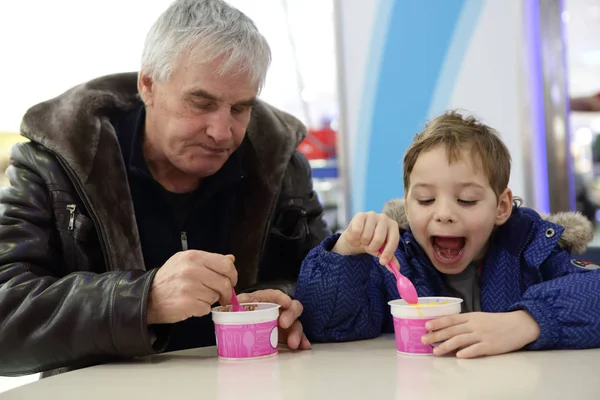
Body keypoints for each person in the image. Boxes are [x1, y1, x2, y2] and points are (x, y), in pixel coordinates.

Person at [0, 0, 330, 376]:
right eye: (200, 103)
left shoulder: (280, 162)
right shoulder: (56, 160)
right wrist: (144, 300)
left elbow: (324, 284)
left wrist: (287, 302)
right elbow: (6, 315)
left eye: (240, 108)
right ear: (148, 86)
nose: (222, 132)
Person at [296, 111, 600, 358]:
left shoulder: (532, 249)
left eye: (466, 200)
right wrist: (346, 252)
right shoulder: (391, 261)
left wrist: (529, 321)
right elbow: (326, 326)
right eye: (425, 200)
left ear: (502, 207)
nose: (443, 213)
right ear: (407, 200)